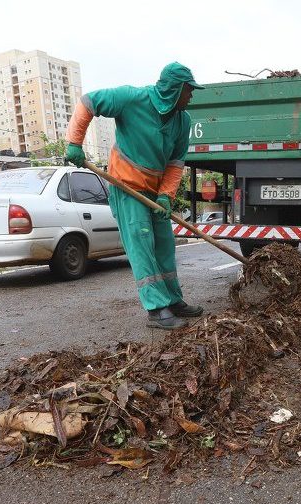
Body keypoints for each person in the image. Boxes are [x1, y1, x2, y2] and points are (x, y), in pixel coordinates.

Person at [65, 62, 204, 330]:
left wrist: (166, 196)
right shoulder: (132, 98)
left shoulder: (182, 120)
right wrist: (74, 143)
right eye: (189, 90)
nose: (192, 96)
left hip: (154, 191)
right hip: (126, 186)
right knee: (141, 243)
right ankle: (156, 308)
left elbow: (175, 163)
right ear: (174, 90)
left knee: (164, 244)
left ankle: (173, 300)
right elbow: (88, 102)